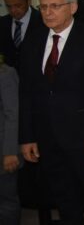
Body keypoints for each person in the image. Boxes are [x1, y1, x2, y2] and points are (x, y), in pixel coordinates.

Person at [19, 0, 84, 224]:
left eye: (55, 6)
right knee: (65, 202)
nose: (48, 12)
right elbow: (27, 93)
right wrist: (27, 136)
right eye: (43, 7)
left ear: (73, 7)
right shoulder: (32, 41)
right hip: (48, 139)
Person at [0, 0, 43, 70]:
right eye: (9, 6)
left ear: (29, 1)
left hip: (36, 75)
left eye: (18, 5)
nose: (13, 10)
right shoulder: (2, 23)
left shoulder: (43, 21)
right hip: (9, 76)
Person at [0, 57, 20, 224]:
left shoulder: (5, 73)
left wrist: (10, 152)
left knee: (6, 202)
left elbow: (13, 114)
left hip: (4, 152)